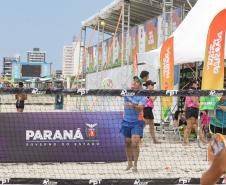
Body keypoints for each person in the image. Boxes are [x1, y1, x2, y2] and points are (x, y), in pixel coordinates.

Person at [120, 76, 146, 172]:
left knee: (134, 143)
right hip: (126, 121)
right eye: (133, 81)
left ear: (140, 85)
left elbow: (140, 108)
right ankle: (129, 163)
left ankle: (135, 165)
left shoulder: (142, 95)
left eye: (136, 82)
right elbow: (116, 92)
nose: (134, 83)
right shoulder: (126, 91)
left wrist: (133, 106)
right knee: (127, 143)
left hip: (137, 121)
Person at [183, 80, 206, 145]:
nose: (198, 85)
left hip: (193, 109)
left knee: (198, 126)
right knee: (189, 126)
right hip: (191, 109)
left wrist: (184, 111)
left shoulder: (191, 91)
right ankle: (185, 141)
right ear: (193, 84)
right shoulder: (192, 91)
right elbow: (195, 102)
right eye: (197, 84)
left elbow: (186, 103)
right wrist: (203, 108)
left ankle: (203, 140)